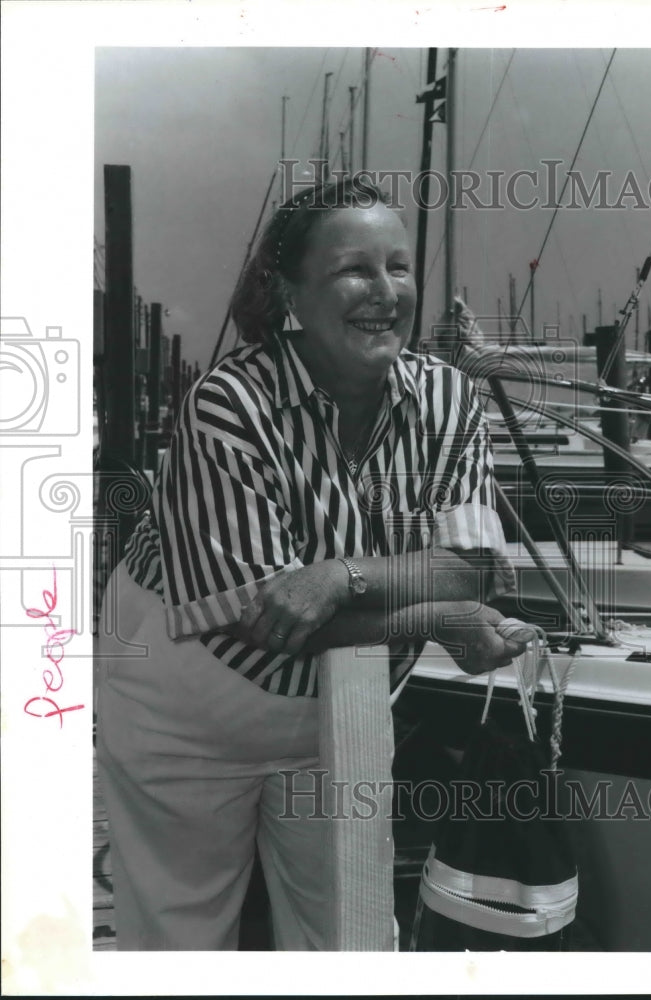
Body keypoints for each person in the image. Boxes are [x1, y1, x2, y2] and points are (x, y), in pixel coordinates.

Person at [95, 177, 529, 951]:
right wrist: (434, 612)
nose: (384, 291)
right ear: (290, 290)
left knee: (351, 929)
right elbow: (263, 621)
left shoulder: (451, 399)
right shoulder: (229, 403)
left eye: (398, 266)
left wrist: (339, 575)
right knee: (179, 929)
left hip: (349, 688)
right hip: (188, 696)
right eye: (353, 270)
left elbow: (469, 566)